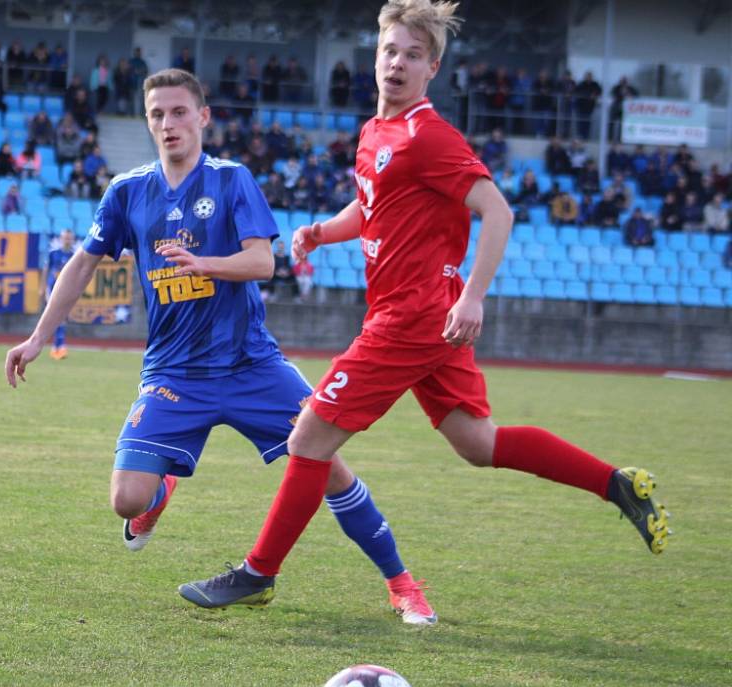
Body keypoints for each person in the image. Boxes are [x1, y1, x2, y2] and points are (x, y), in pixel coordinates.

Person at [182, 0, 671, 614]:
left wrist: (473, 295)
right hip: (423, 316)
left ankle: (258, 573)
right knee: (477, 442)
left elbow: (498, 210)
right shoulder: (374, 132)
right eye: (390, 50)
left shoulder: (429, 135)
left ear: (432, 67)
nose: (398, 63)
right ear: (376, 55)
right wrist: (321, 232)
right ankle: (614, 482)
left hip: (412, 316)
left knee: (308, 437)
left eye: (413, 55)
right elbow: (371, 208)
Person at [4, 67, 437, 626]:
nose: (168, 124)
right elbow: (83, 262)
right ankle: (159, 494)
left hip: (251, 366)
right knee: (125, 501)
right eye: (157, 114)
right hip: (173, 374)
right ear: (147, 122)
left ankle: (402, 583)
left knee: (325, 463)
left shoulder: (232, 180)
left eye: (179, 112)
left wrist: (205, 263)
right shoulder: (127, 191)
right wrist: (40, 336)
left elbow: (264, 261)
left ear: (202, 117)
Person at [40, 229, 78, 359]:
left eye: (69, 238)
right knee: (57, 317)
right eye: (65, 238)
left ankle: (57, 347)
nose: (67, 240)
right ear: (61, 239)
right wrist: (43, 287)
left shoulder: (75, 255)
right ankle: (59, 347)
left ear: (72, 240)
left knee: (62, 317)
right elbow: (46, 270)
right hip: (53, 289)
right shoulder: (54, 254)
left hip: (66, 290)